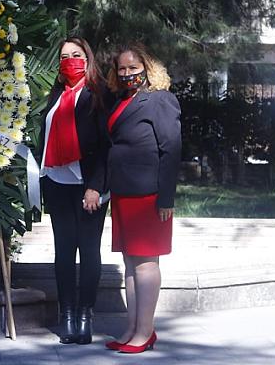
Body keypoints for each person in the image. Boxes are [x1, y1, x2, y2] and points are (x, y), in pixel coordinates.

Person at [103, 44, 181, 354]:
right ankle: (133, 328)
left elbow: (171, 149)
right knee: (131, 264)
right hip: (124, 194)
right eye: (121, 69)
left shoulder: (161, 100)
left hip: (150, 195)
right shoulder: (122, 100)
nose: (127, 74)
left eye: (133, 68)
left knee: (147, 264)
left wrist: (166, 198)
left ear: (147, 68)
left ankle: (145, 332)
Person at [38, 37, 109, 345]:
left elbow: (107, 147)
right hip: (57, 185)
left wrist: (95, 187)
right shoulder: (56, 94)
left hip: (88, 186)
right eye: (64, 56)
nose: (70, 61)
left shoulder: (98, 95)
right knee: (64, 252)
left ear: (88, 58)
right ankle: (66, 314)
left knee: (89, 250)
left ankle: (85, 313)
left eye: (76, 55)